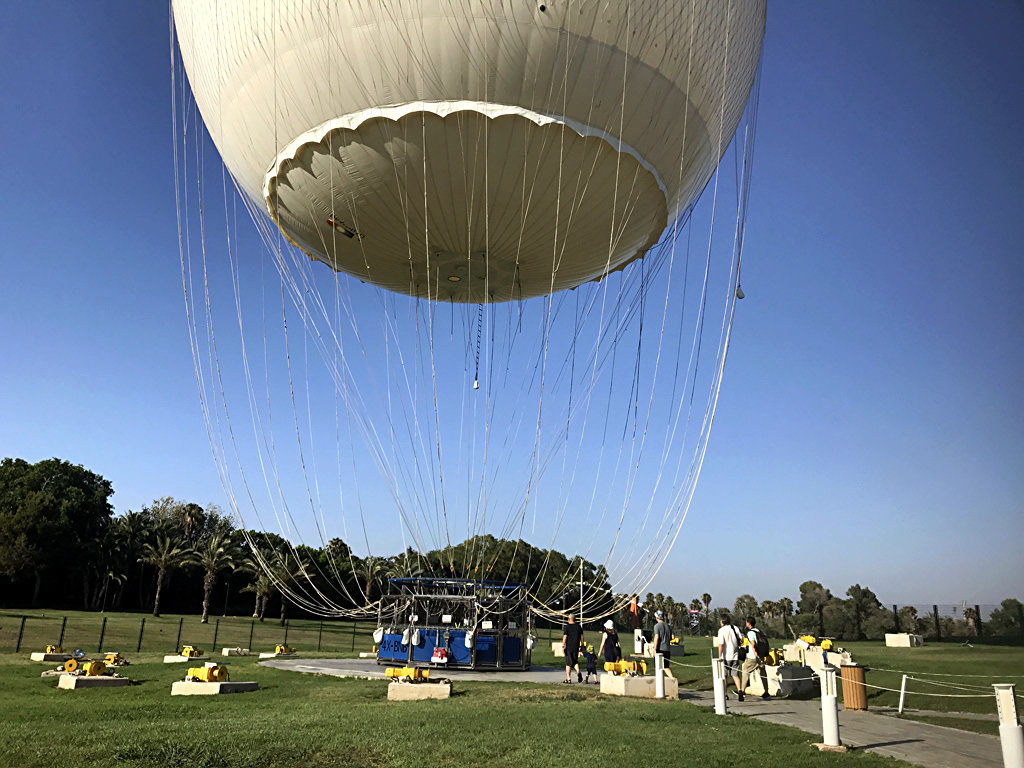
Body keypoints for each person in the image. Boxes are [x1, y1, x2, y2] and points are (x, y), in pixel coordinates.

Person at [716, 614, 745, 701]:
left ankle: (724, 694)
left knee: (725, 676)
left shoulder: (721, 630)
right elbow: (742, 639)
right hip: (735, 655)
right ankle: (740, 691)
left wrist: (719, 656)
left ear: (722, 622)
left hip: (726, 656)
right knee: (735, 675)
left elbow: (721, 644)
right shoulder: (735, 628)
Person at [741, 615, 771, 700]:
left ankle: (742, 691)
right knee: (762, 673)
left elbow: (753, 644)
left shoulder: (750, 633)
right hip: (761, 655)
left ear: (749, 623)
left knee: (745, 670)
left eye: (746, 622)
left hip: (753, 656)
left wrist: (755, 655)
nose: (746, 623)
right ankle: (766, 692)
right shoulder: (759, 631)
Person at [651, 609, 674, 677]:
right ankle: (672, 679)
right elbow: (672, 637)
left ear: (657, 617)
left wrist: (654, 649)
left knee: (659, 667)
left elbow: (656, 637)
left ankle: (660, 684)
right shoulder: (668, 626)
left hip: (660, 649)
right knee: (666, 666)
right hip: (667, 648)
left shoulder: (657, 626)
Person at [561, 614, 583, 683]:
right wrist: (581, 646)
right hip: (576, 647)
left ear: (569, 619)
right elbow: (582, 637)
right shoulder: (579, 627)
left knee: (568, 663)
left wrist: (563, 646)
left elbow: (565, 637)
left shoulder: (567, 627)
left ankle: (568, 679)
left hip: (569, 647)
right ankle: (578, 672)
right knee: (575, 661)